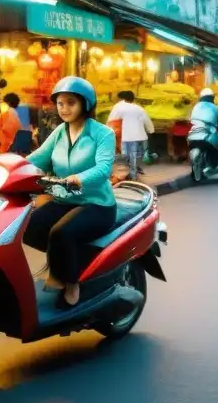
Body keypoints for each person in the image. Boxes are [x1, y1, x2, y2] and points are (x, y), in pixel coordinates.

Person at [24, 77, 117, 308]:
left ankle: (71, 281)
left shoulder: (103, 133)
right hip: (63, 199)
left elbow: (104, 167)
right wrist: (8, 164)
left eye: (70, 102)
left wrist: (79, 178)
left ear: (85, 104)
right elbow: (38, 158)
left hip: (96, 203)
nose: (64, 108)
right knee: (27, 227)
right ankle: (67, 261)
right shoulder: (59, 132)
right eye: (60, 103)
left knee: (60, 233)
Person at [109, 90, 154, 180]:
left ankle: (126, 175)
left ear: (122, 98)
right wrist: (151, 130)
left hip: (123, 136)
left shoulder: (118, 107)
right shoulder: (138, 108)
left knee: (124, 155)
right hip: (136, 136)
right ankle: (132, 175)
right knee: (133, 155)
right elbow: (146, 120)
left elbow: (111, 120)